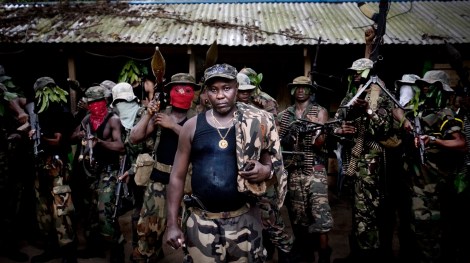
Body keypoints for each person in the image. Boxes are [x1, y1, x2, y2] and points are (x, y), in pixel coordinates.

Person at [165, 63, 288, 262]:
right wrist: (172, 224)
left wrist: (264, 171)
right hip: (201, 222)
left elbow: (272, 162)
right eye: (213, 90)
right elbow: (177, 177)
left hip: (245, 219)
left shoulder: (256, 122)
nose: (220, 95)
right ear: (205, 93)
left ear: (237, 89)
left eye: (227, 88)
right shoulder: (192, 126)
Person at [129, 73, 199, 262]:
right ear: (170, 91)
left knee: (190, 235)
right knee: (149, 231)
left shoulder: (198, 119)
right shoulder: (162, 115)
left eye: (187, 89)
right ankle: (151, 253)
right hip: (158, 182)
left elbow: (199, 144)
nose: (182, 92)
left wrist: (174, 126)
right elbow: (134, 138)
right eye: (178, 89)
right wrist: (148, 114)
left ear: (194, 94)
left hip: (187, 184)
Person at [333, 58, 395, 263]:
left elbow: (385, 129)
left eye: (360, 72)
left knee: (369, 210)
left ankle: (370, 254)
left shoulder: (381, 96)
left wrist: (368, 110)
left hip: (371, 162)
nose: (356, 75)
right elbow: (337, 120)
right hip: (352, 159)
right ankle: (359, 252)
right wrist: (342, 127)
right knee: (356, 209)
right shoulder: (351, 95)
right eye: (354, 72)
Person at [409, 70, 467, 263]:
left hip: (436, 185)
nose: (425, 88)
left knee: (433, 232)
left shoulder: (446, 113)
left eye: (430, 85)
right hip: (420, 184)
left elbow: (461, 144)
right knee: (420, 230)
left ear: (440, 89)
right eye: (423, 85)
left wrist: (434, 141)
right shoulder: (422, 111)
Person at [237, 72, 295, 262]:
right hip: (239, 177)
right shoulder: (229, 113)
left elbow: (271, 141)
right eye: (241, 91)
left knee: (270, 219)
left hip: (263, 172)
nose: (244, 94)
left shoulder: (263, 107)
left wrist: (268, 169)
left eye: (248, 90)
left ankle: (285, 253)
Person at [277, 75, 333, 263]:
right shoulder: (284, 115)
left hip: (315, 170)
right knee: (298, 216)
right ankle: (306, 252)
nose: (300, 90)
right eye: (297, 87)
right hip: (293, 171)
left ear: (311, 91)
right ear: (292, 91)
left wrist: (311, 128)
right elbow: (277, 142)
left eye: (304, 87)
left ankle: (324, 255)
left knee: (320, 215)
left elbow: (319, 143)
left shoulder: (319, 111)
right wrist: (288, 136)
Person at [71, 85, 126, 263]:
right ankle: (96, 246)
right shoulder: (87, 119)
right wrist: (80, 134)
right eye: (91, 102)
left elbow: (120, 146)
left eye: (98, 101)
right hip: (91, 172)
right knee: (93, 211)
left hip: (109, 171)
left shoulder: (113, 120)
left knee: (105, 212)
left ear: (105, 101)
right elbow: (72, 136)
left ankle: (117, 249)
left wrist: (99, 142)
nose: (95, 105)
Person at [28, 77, 78, 263]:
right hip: (41, 164)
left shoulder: (59, 110)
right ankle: (51, 248)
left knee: (61, 208)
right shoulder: (39, 112)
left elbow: (58, 139)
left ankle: (68, 253)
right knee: (43, 209)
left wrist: (42, 138)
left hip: (57, 164)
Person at [110, 82, 146, 254]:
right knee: (136, 207)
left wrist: (132, 169)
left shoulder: (144, 115)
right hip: (127, 168)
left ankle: (142, 247)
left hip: (145, 169)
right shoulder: (116, 119)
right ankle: (136, 246)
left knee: (143, 209)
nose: (122, 107)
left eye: (125, 102)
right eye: (119, 103)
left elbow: (149, 150)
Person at [0, 83, 30, 262]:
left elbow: (23, 115)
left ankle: (10, 246)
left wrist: (17, 134)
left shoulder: (10, 106)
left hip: (11, 167)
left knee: (11, 206)